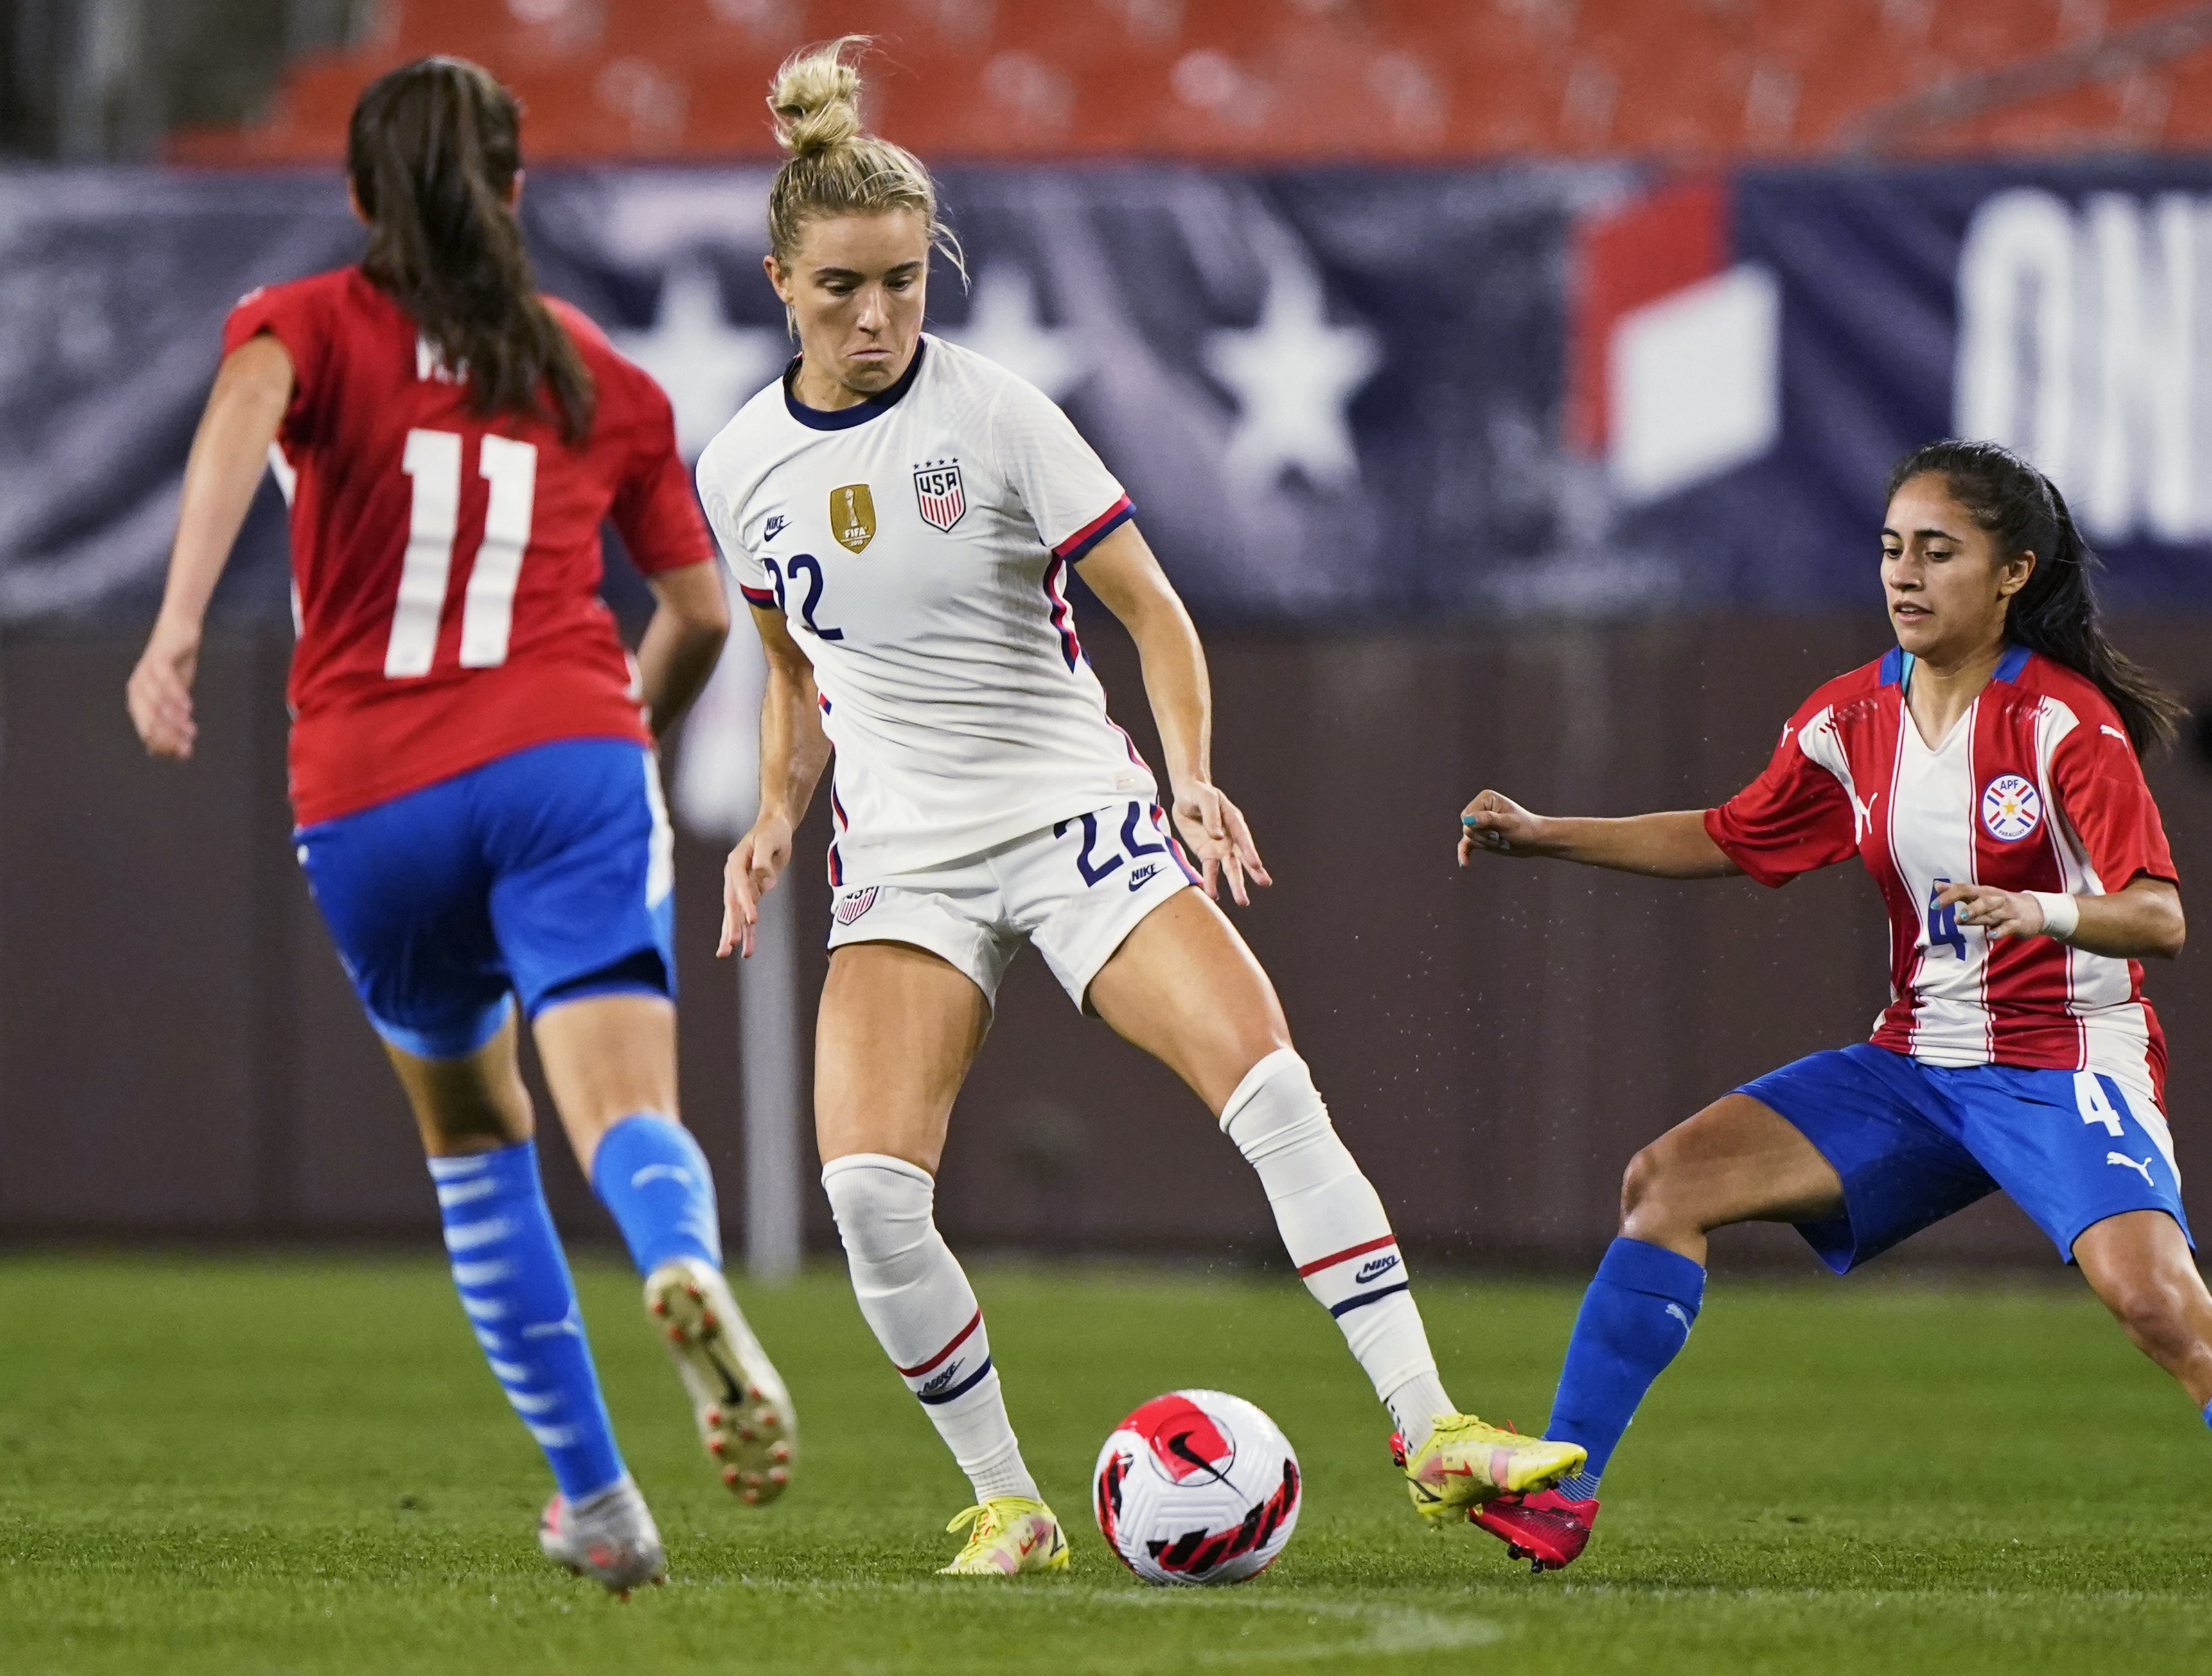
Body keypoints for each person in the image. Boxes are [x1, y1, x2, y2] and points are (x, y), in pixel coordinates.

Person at [704, 38, 1581, 1577]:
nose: (875, 315)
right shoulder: (742, 466)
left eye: (904, 281)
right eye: (841, 285)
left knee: (1268, 1083)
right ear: (780, 277)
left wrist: (1184, 772)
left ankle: (1434, 1426)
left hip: (1070, 814)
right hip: (904, 854)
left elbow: (1153, 610)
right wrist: (780, 812)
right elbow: (794, 670)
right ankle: (1010, 1502)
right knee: (867, 1195)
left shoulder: (996, 415)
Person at [1452, 440, 2212, 1592]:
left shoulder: (2061, 723)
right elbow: (1732, 834)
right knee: (1667, 1180)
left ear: (2012, 571)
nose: (1904, 575)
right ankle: (1563, 1494)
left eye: (1938, 551)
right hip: (1915, 1064)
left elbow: (2157, 918)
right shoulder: (1848, 715)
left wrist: (2036, 906)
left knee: (2153, 1301)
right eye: (1889, 549)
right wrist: (1544, 833)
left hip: (2062, 1061)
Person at [123, 57, 793, 1595]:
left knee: (476, 1141)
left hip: (365, 791)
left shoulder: (305, 323)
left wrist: (172, 631)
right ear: (511, 186)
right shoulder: (594, 375)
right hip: (563, 754)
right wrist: (617, 723)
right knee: (623, 1111)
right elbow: (695, 613)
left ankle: (601, 1502)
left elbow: (241, 414)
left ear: (361, 195)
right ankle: (678, 1254)